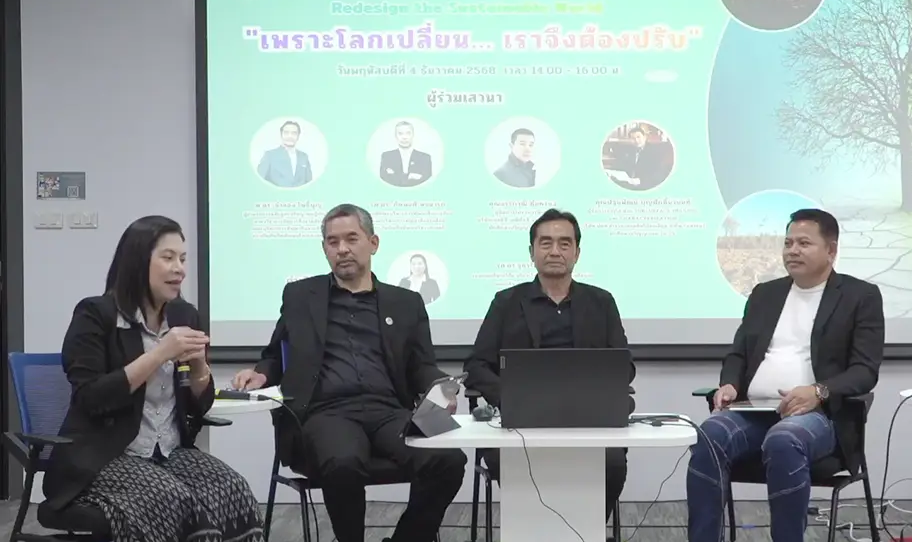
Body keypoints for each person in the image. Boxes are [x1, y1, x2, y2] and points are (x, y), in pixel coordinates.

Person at [231, 204, 466, 542]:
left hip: (388, 411)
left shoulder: (406, 302)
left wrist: (440, 387)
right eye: (333, 242)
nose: (342, 249)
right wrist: (261, 375)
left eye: (351, 239)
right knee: (343, 463)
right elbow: (275, 354)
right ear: (324, 248)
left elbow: (421, 365)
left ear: (373, 243)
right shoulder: (300, 296)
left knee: (448, 461)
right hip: (327, 413)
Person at [43, 216, 263, 542]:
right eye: (168, 257)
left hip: (169, 451)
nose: (179, 269)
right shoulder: (95, 315)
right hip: (104, 456)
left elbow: (200, 404)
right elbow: (91, 397)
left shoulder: (184, 316)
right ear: (137, 261)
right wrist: (160, 353)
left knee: (233, 490)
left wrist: (199, 365)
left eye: (183, 259)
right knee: (173, 501)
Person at [687, 208, 885, 542]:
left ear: (831, 250)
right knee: (709, 433)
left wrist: (818, 391)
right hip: (753, 412)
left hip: (819, 416)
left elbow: (865, 371)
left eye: (804, 243)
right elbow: (738, 354)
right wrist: (730, 384)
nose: (792, 250)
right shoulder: (765, 294)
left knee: (784, 439)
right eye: (788, 242)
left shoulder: (860, 297)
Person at [464, 208, 634, 524]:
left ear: (577, 253)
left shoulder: (601, 302)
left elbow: (624, 366)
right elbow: (476, 365)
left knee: (612, 464)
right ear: (532, 252)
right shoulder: (506, 302)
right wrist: (508, 396)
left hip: (587, 420)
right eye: (546, 243)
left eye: (564, 243)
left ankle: (585, 531)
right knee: (509, 463)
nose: (555, 251)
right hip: (520, 423)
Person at [610, 126, 671, 191]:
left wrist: (640, 180)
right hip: (628, 183)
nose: (636, 140)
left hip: (646, 185)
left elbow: (658, 173)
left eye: (638, 137)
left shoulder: (654, 151)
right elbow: (621, 165)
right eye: (633, 138)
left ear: (644, 137)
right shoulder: (629, 150)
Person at [257, 120, 313, 188]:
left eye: (294, 133)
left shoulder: (304, 157)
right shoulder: (269, 155)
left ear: (298, 136)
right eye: (286, 133)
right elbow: (259, 182)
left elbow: (309, 184)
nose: (290, 136)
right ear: (281, 135)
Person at [379, 120, 433, 187]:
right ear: (395, 136)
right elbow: (384, 178)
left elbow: (427, 181)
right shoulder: (387, 157)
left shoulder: (425, 158)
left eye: (408, 133)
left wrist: (396, 175)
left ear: (413, 135)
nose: (404, 137)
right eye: (400, 133)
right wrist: (409, 176)